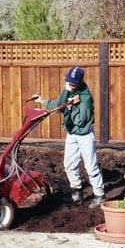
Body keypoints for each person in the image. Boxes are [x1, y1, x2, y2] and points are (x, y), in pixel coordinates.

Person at [33, 66, 105, 209]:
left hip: (84, 135)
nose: (69, 85)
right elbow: (59, 105)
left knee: (91, 167)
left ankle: (99, 195)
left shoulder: (85, 99)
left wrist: (71, 107)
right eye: (68, 82)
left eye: (72, 83)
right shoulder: (69, 89)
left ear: (79, 83)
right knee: (69, 165)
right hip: (72, 134)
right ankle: (77, 191)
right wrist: (42, 101)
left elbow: (81, 121)